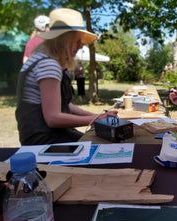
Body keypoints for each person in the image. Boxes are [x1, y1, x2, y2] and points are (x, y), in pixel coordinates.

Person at [16, 8, 117, 145]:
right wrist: (96, 119)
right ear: (64, 40)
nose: (81, 46)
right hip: (44, 142)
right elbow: (53, 118)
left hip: (42, 136)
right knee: (104, 147)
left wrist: (97, 116)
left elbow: (65, 105)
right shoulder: (48, 64)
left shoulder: (39, 59)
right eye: (77, 41)